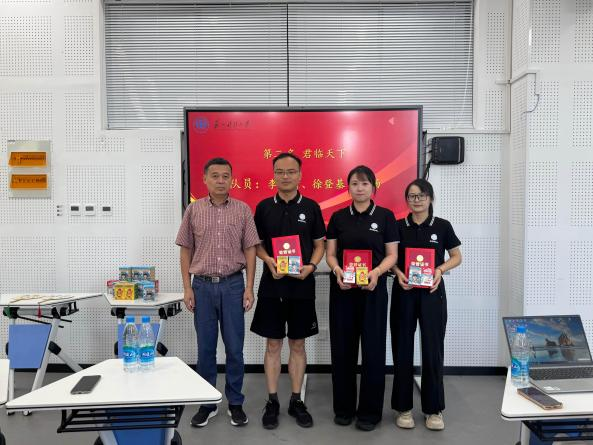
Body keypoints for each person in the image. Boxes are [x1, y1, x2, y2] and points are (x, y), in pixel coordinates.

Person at [176, 157, 260, 428]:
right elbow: (186, 250)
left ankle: (235, 403)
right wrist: (187, 287)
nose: (221, 180)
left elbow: (250, 250)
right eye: (215, 176)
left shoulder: (243, 210)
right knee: (205, 349)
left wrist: (249, 287)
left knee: (235, 349)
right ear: (205, 179)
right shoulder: (194, 210)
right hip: (201, 287)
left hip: (234, 286)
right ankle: (207, 403)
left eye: (225, 176)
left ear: (232, 179)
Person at [251, 152, 326, 429]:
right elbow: (256, 245)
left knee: (298, 344)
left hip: (302, 286)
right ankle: (272, 401)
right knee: (273, 345)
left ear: (300, 175)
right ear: (274, 175)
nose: (285, 176)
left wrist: (311, 266)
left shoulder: (312, 207)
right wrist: (268, 260)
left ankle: (296, 400)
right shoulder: (263, 207)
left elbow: (319, 245)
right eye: (280, 171)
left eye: (291, 171)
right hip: (272, 285)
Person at [325, 165, 398, 431]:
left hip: (373, 291)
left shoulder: (386, 217)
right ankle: (344, 409)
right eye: (355, 183)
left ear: (373, 187)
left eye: (365, 183)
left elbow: (392, 255)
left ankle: (369, 413)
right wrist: (337, 270)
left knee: (373, 350)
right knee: (342, 350)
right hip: (343, 291)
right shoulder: (338, 217)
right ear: (348, 188)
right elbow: (330, 254)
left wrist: (377, 272)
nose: (359, 188)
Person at [390, 178, 462, 431]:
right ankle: (403, 408)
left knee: (433, 350)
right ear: (406, 200)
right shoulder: (398, 226)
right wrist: (398, 273)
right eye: (412, 196)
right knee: (402, 349)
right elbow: (390, 258)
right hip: (404, 292)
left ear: (430, 198)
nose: (417, 200)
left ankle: (434, 409)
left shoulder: (442, 226)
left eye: (421, 195)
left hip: (432, 293)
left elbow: (456, 256)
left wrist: (440, 270)